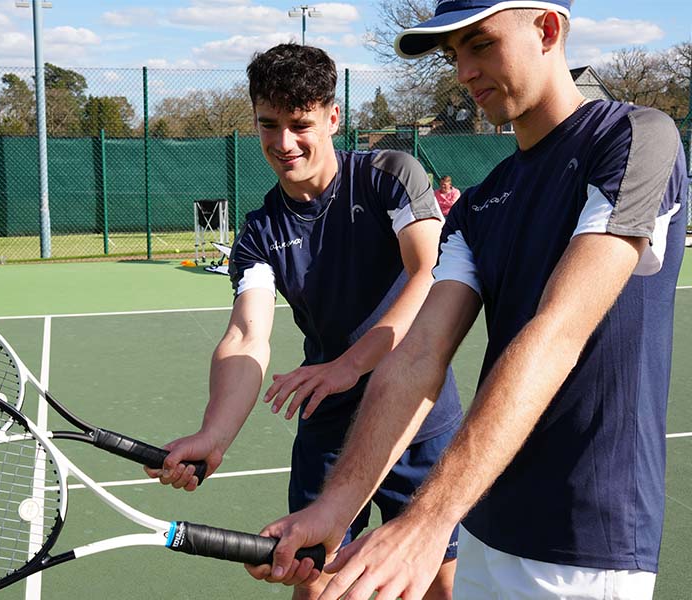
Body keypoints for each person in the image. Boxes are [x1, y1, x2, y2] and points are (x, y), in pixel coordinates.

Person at [248, 2, 688, 599]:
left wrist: (425, 522)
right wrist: (337, 506)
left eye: (480, 45)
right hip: (483, 524)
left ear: (548, 30)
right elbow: (416, 356)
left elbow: (559, 329)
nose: (463, 71)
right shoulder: (483, 202)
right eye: (454, 55)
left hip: (583, 546)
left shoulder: (634, 137)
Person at [146, 43, 464, 600]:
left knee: (435, 579)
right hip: (330, 425)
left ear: (333, 117)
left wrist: (349, 364)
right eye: (269, 125)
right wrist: (214, 434)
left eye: (300, 124)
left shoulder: (390, 175)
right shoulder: (260, 234)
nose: (284, 142)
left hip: (420, 413)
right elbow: (248, 335)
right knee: (313, 580)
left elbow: (427, 274)